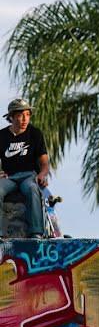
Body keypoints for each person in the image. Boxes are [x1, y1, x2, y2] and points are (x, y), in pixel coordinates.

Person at [0, 99, 49, 238]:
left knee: (32, 189)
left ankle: (36, 233)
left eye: (27, 115)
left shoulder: (35, 133)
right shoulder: (2, 136)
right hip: (10, 177)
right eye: (21, 115)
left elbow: (44, 164)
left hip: (29, 176)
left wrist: (42, 175)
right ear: (12, 117)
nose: (25, 119)